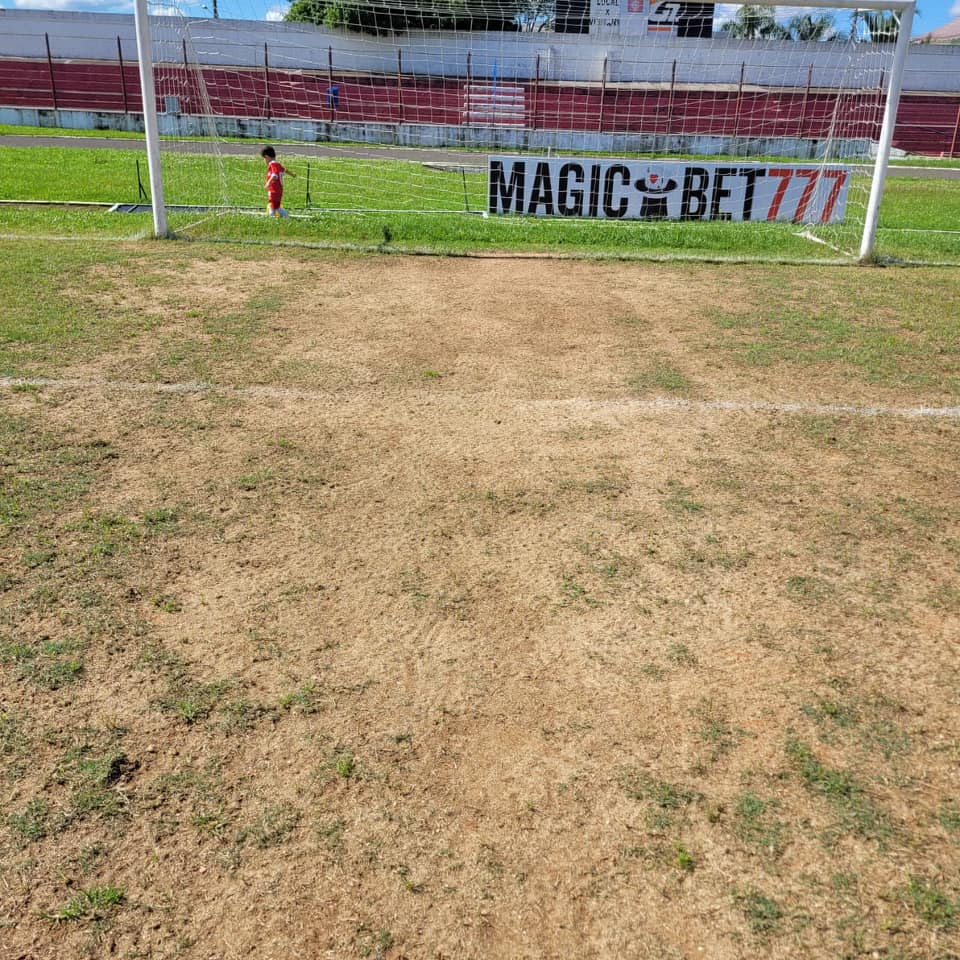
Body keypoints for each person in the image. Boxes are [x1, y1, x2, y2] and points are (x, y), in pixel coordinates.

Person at [260, 145, 296, 218]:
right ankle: (272, 217)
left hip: (274, 190)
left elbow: (274, 175)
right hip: (278, 190)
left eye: (264, 159)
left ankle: (286, 217)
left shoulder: (273, 164)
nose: (264, 161)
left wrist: (268, 183)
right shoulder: (278, 164)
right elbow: (285, 170)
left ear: (266, 157)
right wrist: (292, 174)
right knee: (273, 204)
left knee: (276, 206)